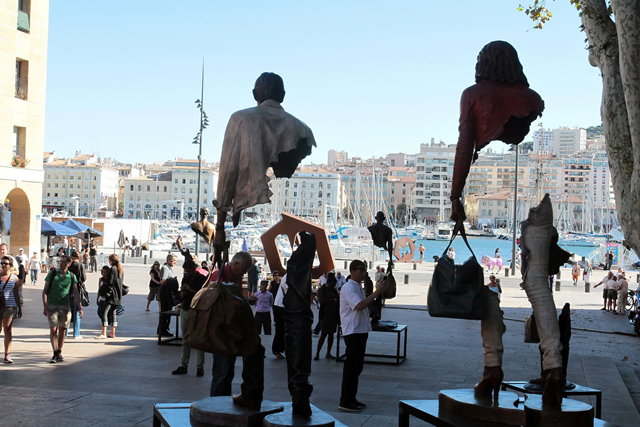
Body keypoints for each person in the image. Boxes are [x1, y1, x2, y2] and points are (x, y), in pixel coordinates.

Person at [209, 251, 265, 412]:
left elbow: (234, 300)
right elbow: (214, 302)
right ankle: (215, 407)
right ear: (235, 264)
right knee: (222, 371)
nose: (245, 273)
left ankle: (222, 405)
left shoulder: (235, 277)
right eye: (244, 269)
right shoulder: (219, 275)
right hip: (221, 332)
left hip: (232, 331)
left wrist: (245, 300)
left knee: (227, 371)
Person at [338, 260, 387, 412]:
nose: (363, 273)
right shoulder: (349, 287)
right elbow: (359, 305)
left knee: (356, 368)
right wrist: (377, 292)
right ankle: (345, 400)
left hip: (360, 330)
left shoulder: (357, 286)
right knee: (351, 367)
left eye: (364, 270)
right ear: (352, 271)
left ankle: (351, 398)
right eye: (360, 270)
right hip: (353, 331)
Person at [42, 255, 84, 363]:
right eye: (60, 261)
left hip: (65, 306)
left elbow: (75, 292)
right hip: (52, 306)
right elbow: (45, 290)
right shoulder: (52, 274)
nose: (61, 263)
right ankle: (55, 352)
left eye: (64, 262)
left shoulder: (71, 276)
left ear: (69, 264)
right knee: (53, 329)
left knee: (62, 330)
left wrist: (80, 307)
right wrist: (45, 305)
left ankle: (59, 351)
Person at [172, 259, 208, 377]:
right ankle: (183, 365)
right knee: (186, 339)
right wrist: (182, 294)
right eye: (185, 271)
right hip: (186, 309)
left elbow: (202, 295)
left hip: (197, 311)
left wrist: (190, 290)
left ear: (194, 269)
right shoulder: (185, 278)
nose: (187, 273)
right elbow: (183, 293)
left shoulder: (202, 279)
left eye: (188, 271)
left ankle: (200, 367)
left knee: (199, 339)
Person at [96, 254, 124, 339]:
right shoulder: (120, 269)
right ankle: (112, 333)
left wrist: (106, 293)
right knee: (113, 313)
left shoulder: (112, 269)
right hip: (118, 295)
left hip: (111, 295)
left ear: (111, 261)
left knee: (104, 312)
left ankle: (104, 333)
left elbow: (110, 283)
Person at [1, 256, 22, 363]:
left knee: (8, 329)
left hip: (10, 306)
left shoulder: (14, 279)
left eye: (6, 264)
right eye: (2, 263)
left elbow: (16, 294)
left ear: (11, 266)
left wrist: (19, 308)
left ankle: (7, 354)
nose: (4, 265)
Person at [315, 272, 339, 361]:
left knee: (331, 334)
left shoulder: (334, 290)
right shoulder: (322, 290)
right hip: (325, 315)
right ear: (329, 283)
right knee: (323, 334)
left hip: (333, 315)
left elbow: (338, 301)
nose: (333, 286)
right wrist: (333, 300)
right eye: (332, 284)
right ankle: (317, 353)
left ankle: (328, 352)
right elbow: (322, 300)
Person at [67, 251, 87, 339]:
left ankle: (65, 333)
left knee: (67, 312)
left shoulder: (68, 265)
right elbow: (83, 278)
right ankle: (76, 333)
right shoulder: (80, 265)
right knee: (77, 311)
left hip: (68, 289)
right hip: (77, 290)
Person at [157, 254, 177, 337]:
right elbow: (163, 281)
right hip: (165, 292)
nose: (174, 263)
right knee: (165, 311)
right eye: (173, 261)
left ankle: (164, 328)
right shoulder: (165, 268)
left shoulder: (169, 268)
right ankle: (163, 329)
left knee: (167, 310)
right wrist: (172, 280)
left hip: (168, 292)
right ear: (169, 260)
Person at [269, 271, 285, 359]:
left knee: (284, 329)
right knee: (280, 329)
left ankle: (282, 349)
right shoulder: (288, 278)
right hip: (280, 305)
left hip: (282, 305)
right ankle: (277, 350)